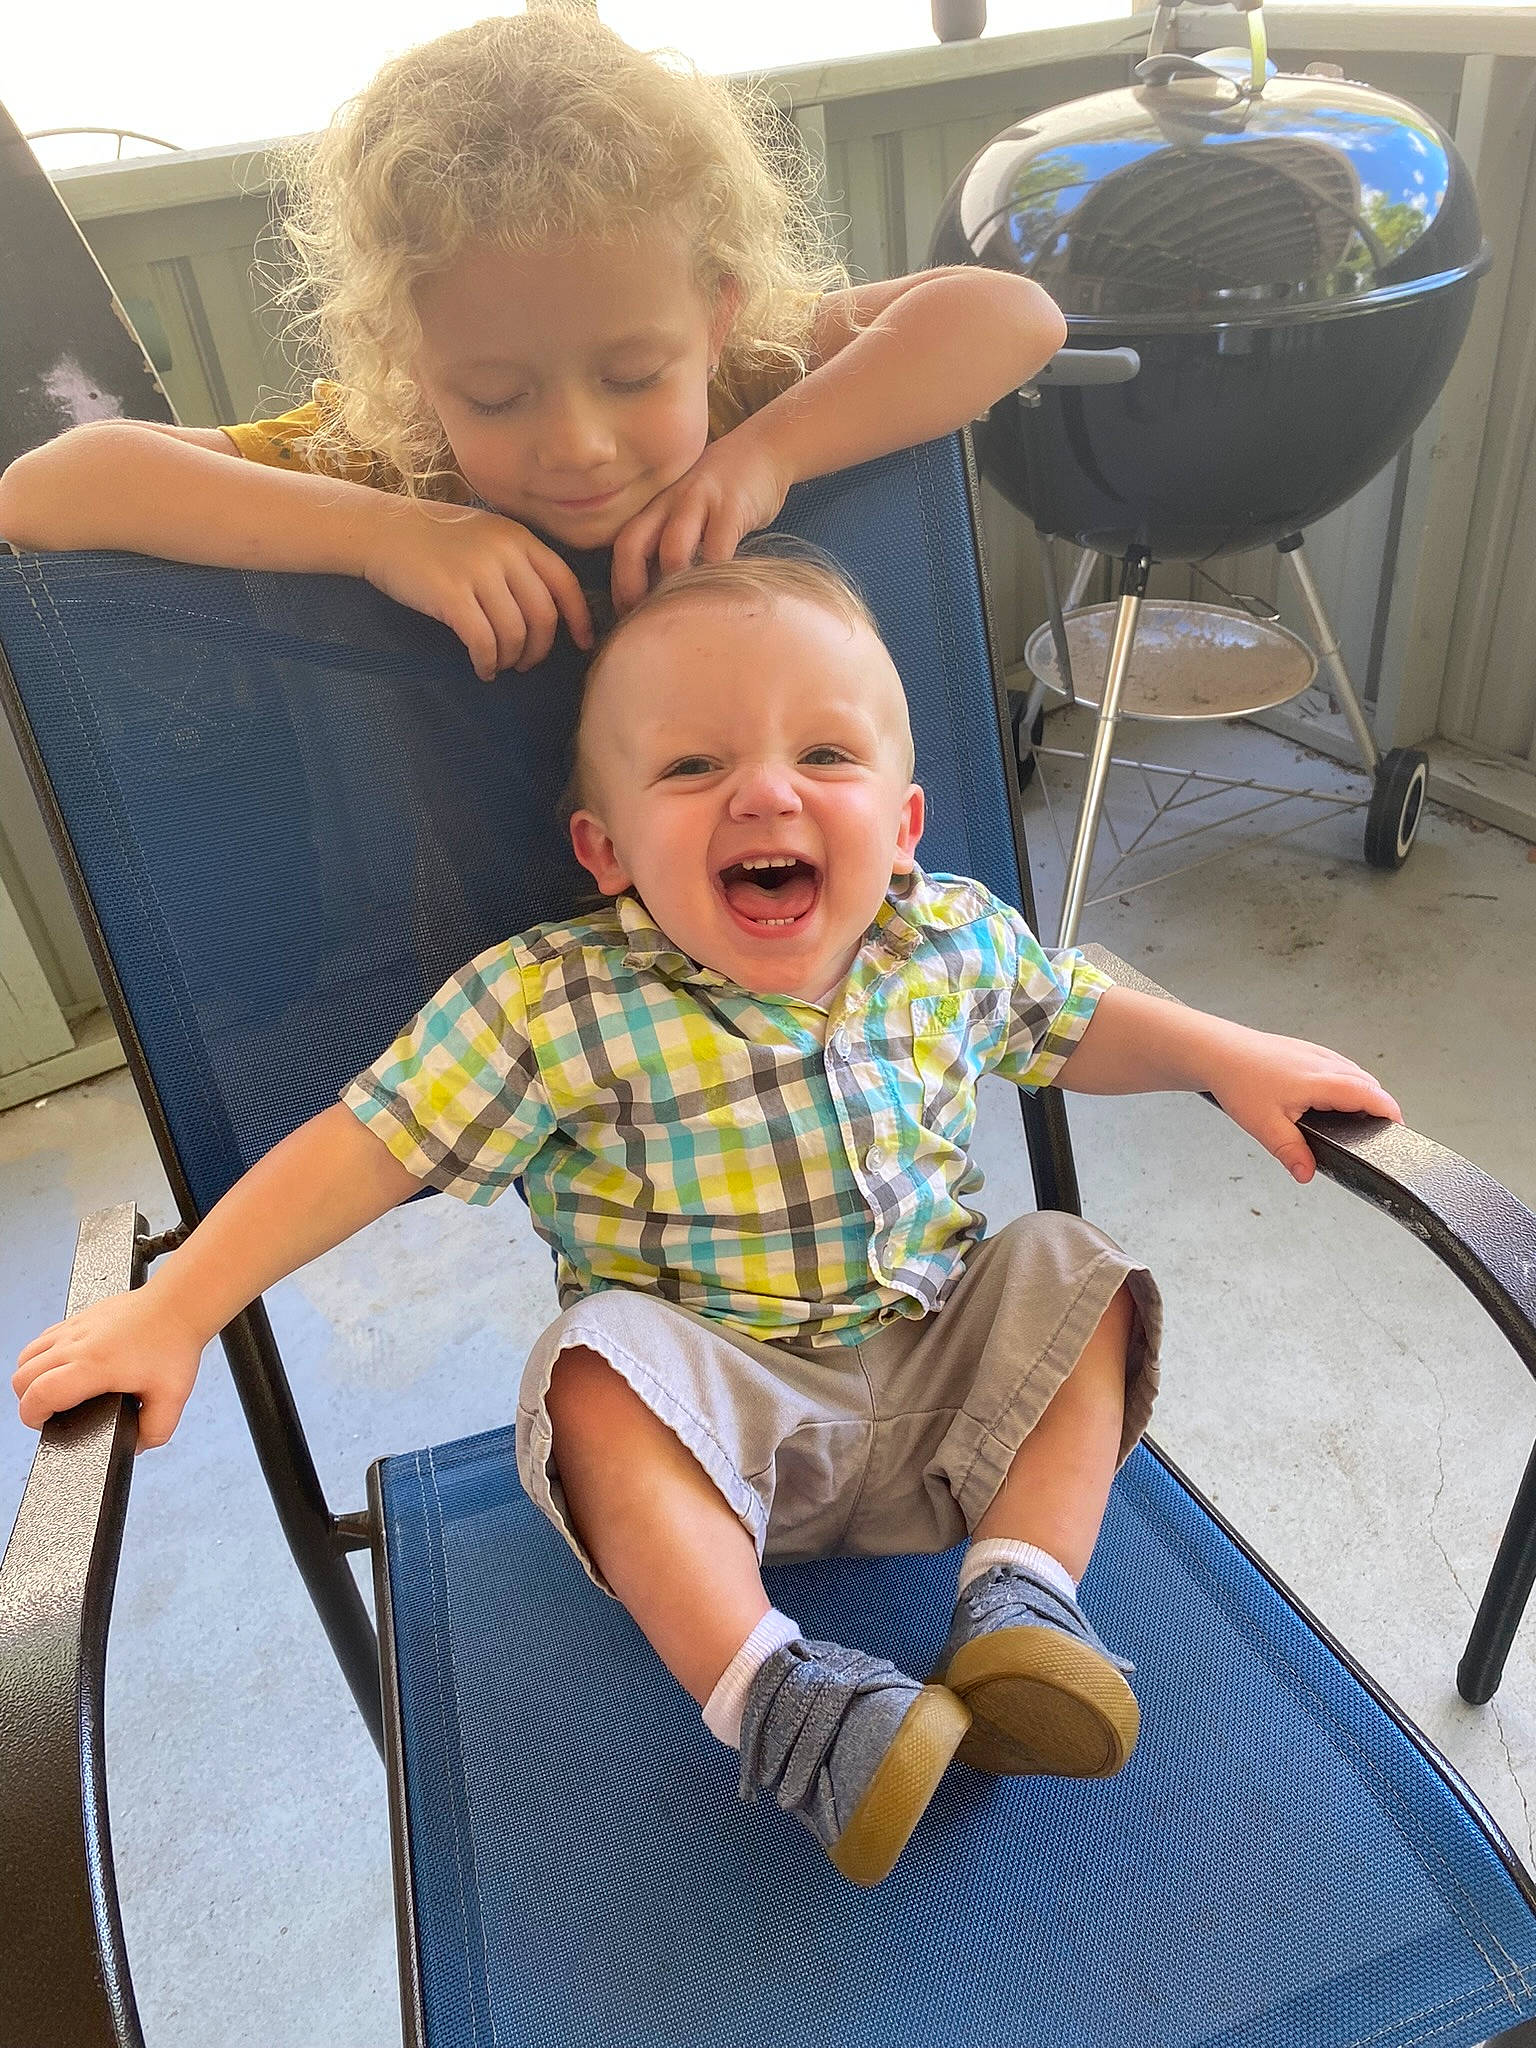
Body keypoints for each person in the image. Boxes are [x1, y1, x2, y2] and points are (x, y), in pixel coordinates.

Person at [13, 554, 1404, 1889]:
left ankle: (1020, 1601)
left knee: (1075, 1269)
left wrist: (1230, 1053)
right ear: (604, 850)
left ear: (905, 823)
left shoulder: (950, 939)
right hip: (718, 1440)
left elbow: (1078, 1022)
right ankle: (787, 1706)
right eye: (693, 766)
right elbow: (370, 1147)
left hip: (943, 1401)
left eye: (828, 757)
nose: (764, 793)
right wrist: (176, 1302)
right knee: (592, 1370)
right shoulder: (553, 998)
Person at [0, 11, 1068, 677]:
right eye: (498, 396)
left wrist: (767, 455)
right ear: (415, 367)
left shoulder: (755, 377)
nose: (578, 445)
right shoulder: (391, 457)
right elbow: (49, 488)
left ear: (718, 315)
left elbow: (1014, 316)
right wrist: (389, 535)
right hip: (520, 978)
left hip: (789, 913)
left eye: (633, 375)